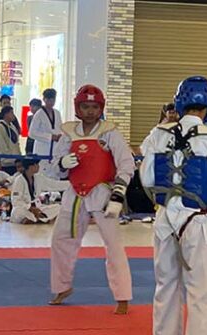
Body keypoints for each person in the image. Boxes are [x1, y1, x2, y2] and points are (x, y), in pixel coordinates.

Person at [140, 76, 207, 335]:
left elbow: (147, 177)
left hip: (165, 217)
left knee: (166, 281)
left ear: (179, 102)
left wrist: (165, 202)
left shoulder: (158, 133)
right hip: (198, 218)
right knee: (203, 289)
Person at [46, 85, 134, 314]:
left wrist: (119, 191)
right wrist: (63, 164)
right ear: (78, 107)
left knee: (113, 244)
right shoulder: (68, 132)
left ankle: (122, 296)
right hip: (74, 193)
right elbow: (54, 168)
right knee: (60, 239)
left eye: (94, 107)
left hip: (102, 193)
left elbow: (126, 163)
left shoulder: (109, 132)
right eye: (85, 106)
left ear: (101, 108)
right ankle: (62, 287)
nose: (90, 111)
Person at [10, 158, 67, 224]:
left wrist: (71, 184)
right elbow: (16, 201)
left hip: (37, 208)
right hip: (24, 209)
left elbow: (54, 184)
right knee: (18, 211)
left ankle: (35, 219)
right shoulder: (19, 180)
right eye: (36, 164)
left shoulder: (38, 177)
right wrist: (30, 208)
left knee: (58, 207)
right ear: (30, 167)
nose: (39, 166)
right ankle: (36, 219)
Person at [29, 88, 62, 172]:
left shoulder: (57, 113)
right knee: (41, 174)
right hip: (42, 149)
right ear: (44, 99)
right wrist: (50, 137)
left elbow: (60, 128)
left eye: (53, 99)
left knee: (55, 173)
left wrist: (60, 136)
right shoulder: (39, 114)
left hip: (55, 149)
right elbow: (32, 133)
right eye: (49, 99)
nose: (51, 102)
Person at [0, 106, 21, 172]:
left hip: (14, 160)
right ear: (6, 114)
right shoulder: (0, 127)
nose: (13, 115)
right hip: (6, 162)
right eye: (11, 113)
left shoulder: (12, 126)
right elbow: (1, 144)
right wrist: (8, 156)